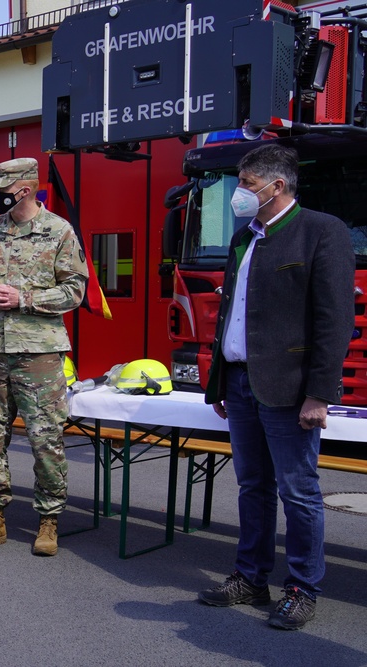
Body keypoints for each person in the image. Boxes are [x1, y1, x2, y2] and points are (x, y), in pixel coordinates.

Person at [199, 143, 354, 630]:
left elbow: (334, 321)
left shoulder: (321, 232)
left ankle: (303, 588)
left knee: (299, 492)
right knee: (253, 487)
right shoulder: (245, 237)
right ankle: (251, 576)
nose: (238, 193)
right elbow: (234, 315)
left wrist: (320, 393)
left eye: (245, 184)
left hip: (290, 389)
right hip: (242, 383)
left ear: (276, 186)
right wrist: (219, 382)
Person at [0, 157, 88, 556]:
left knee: (45, 438)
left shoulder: (58, 231)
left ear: (27, 187)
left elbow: (75, 292)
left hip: (40, 352)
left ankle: (48, 522)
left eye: (4, 186)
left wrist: (25, 298)